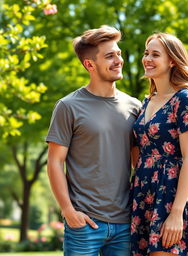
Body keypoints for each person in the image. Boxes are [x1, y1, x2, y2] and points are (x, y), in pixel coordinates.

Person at [46, 25, 141, 256]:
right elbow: (55, 163)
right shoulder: (68, 106)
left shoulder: (136, 107)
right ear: (90, 64)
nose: (118, 60)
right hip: (84, 224)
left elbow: (139, 165)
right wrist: (68, 211)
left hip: (125, 224)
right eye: (109, 56)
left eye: (118, 53)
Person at [130, 33, 188, 256]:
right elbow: (137, 148)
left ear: (172, 61)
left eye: (155, 54)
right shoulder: (146, 102)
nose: (147, 58)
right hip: (141, 194)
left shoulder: (184, 99)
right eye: (146, 53)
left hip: (169, 196)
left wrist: (176, 213)